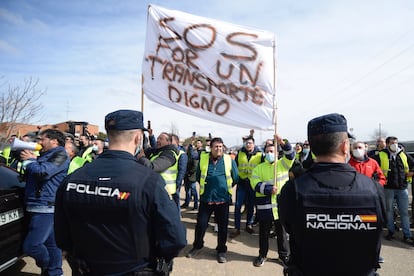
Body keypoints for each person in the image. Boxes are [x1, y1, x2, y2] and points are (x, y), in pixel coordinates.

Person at [55, 109, 186, 275]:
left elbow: (61, 234)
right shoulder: (149, 181)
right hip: (134, 268)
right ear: (138, 137)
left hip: (86, 268)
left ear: (109, 135)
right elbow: (176, 239)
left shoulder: (72, 179)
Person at [279, 113, 386, 276]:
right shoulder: (373, 189)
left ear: (312, 149)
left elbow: (288, 226)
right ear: (345, 146)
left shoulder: (294, 189)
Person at [19, 129, 70, 276]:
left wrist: (30, 161)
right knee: (52, 244)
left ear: (54, 141)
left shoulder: (60, 154)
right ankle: (55, 272)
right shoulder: (46, 155)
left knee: (31, 246)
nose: (39, 142)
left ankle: (48, 266)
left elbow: (44, 172)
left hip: (45, 206)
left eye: (42, 139)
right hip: (41, 204)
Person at [186, 137, 238, 263]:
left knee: (223, 228)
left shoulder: (228, 160)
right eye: (216, 146)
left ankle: (221, 251)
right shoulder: (203, 158)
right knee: (201, 225)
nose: (218, 149)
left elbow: (235, 177)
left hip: (223, 200)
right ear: (211, 148)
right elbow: (199, 176)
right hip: (206, 199)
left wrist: (225, 189)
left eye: (220, 146)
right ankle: (197, 246)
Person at [250, 136, 295, 267]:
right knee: (263, 233)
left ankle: (284, 256)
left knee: (282, 234)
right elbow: (255, 183)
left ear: (277, 153)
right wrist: (268, 189)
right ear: (264, 153)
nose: (270, 153)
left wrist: (282, 143)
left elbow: (291, 154)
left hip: (281, 206)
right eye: (267, 151)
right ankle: (262, 255)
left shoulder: (283, 164)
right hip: (265, 206)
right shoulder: (259, 168)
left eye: (272, 151)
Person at [373, 136, 414, 245]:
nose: (395, 145)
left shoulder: (403, 154)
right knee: (389, 212)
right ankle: (391, 231)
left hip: (402, 188)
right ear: (387, 144)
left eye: (396, 143)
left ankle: (407, 235)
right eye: (392, 143)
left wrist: (412, 172)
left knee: (404, 213)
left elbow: (412, 164)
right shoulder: (380, 155)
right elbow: (372, 168)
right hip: (388, 189)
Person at [231, 136, 263, 238]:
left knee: (250, 206)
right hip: (241, 183)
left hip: (253, 184)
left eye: (250, 143)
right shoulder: (240, 153)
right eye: (247, 143)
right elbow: (235, 167)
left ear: (254, 144)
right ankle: (237, 227)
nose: (248, 144)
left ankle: (249, 224)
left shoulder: (260, 154)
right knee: (237, 206)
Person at [137, 132, 180, 201]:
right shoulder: (158, 152)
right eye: (157, 138)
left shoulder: (169, 154)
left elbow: (152, 167)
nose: (158, 140)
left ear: (168, 142)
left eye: (161, 139)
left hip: (164, 192)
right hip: (157, 189)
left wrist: (142, 157)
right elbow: (148, 149)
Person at [171, 134, 188, 209]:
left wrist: (177, 184)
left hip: (175, 184)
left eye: (171, 140)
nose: (169, 142)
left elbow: (182, 171)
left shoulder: (181, 154)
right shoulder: (168, 151)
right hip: (168, 183)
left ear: (177, 142)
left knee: (175, 203)